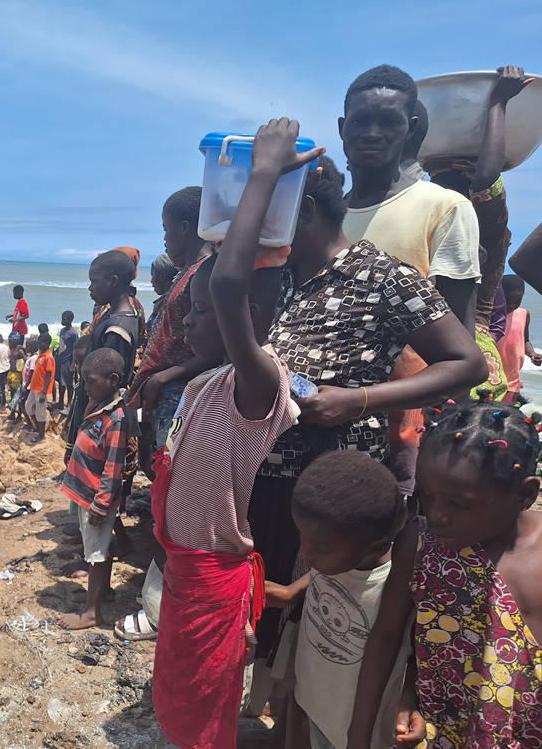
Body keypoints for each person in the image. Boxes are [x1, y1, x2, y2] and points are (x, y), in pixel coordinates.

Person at [250, 155, 488, 662]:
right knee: (271, 626)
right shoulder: (286, 278)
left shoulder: (380, 275)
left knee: (321, 628)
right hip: (271, 479)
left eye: (270, 216)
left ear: (306, 210)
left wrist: (357, 400)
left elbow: (467, 364)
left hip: (331, 488)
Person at [150, 119, 318, 749]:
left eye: (197, 314)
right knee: (182, 689)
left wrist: (265, 173)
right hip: (186, 571)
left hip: (215, 579)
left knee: (208, 699)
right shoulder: (203, 386)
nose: (189, 324)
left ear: (244, 318)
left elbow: (225, 283)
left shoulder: (258, 387)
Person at [346, 396, 542, 749]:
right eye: (425, 494)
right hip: (442, 733)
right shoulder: (420, 544)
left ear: (524, 493)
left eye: (457, 503)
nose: (435, 514)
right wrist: (359, 734)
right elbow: (388, 635)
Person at [339, 64, 481, 496]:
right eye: (361, 122)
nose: (372, 133)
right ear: (343, 128)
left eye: (389, 122)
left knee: (386, 525)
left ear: (411, 127)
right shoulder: (327, 213)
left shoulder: (444, 207)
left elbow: (457, 337)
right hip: (323, 402)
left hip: (402, 411)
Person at [264, 451, 409, 749]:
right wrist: (292, 592)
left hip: (354, 726)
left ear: (376, 546)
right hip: (313, 690)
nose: (306, 554)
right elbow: (321, 571)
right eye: (302, 537)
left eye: (319, 548)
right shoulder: (337, 554)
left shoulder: (394, 586)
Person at [429, 66, 534, 401]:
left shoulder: (481, 226)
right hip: (438, 345)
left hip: (467, 350)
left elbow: (486, 177)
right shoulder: (432, 215)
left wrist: (498, 104)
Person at [128, 187, 218, 469]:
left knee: (171, 472)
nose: (165, 238)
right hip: (166, 392)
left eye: (167, 229)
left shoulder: (204, 274)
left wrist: (162, 378)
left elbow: (219, 348)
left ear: (185, 227)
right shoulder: (187, 272)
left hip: (181, 392)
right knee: (158, 469)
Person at [57, 348, 130, 631]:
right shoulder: (100, 408)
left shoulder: (117, 419)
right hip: (87, 494)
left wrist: (101, 505)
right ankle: (102, 593)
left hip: (96, 498)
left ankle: (91, 612)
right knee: (98, 549)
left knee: (97, 555)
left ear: (112, 380)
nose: (85, 387)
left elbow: (113, 468)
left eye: (90, 381)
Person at [66, 251, 141, 461]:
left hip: (99, 427)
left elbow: (104, 391)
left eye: (94, 281)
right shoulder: (111, 317)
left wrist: (83, 433)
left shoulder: (117, 329)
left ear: (113, 281)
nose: (90, 288)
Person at [498, 274, 542, 402]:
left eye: (517, 302)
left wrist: (533, 354)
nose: (512, 305)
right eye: (508, 301)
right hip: (492, 376)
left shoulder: (523, 314)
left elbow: (525, 340)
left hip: (512, 378)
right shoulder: (490, 315)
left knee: (508, 414)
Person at [26, 333, 55, 442]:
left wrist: (44, 392)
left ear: (46, 344)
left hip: (41, 389)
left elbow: (48, 375)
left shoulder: (48, 357)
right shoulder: (41, 355)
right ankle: (37, 427)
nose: (38, 345)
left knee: (40, 412)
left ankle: (41, 435)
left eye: (40, 343)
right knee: (28, 407)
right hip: (34, 387)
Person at [148, 253, 180, 331]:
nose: (151, 281)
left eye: (153, 276)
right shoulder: (175, 298)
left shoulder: (169, 304)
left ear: (162, 276)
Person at [11, 335, 39, 424]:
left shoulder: (33, 358)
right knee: (20, 402)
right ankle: (28, 422)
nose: (26, 347)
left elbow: (31, 373)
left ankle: (31, 423)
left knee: (23, 404)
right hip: (24, 383)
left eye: (28, 346)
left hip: (28, 386)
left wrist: (25, 386)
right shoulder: (32, 357)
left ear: (34, 347)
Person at [56, 311, 78, 409]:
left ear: (70, 319)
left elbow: (75, 348)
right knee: (61, 382)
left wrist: (73, 364)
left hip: (68, 361)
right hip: (60, 360)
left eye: (64, 319)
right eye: (62, 318)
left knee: (69, 384)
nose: (62, 320)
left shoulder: (73, 333)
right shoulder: (62, 331)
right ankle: (60, 402)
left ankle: (69, 404)